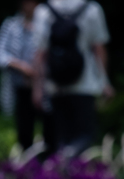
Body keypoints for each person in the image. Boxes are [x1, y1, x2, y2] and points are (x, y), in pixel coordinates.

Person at [32, 0, 113, 156]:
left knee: (61, 136)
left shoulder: (43, 11)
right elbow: (99, 48)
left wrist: (37, 88)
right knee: (84, 135)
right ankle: (76, 168)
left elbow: (40, 54)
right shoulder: (92, 9)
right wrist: (105, 83)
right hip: (85, 84)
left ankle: (62, 167)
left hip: (55, 85)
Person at [0, 1, 55, 152]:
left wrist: (39, 71)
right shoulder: (11, 25)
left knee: (51, 129)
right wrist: (21, 67)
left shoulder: (49, 23)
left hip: (46, 86)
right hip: (22, 86)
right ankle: (27, 167)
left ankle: (49, 166)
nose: (29, 6)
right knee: (25, 129)